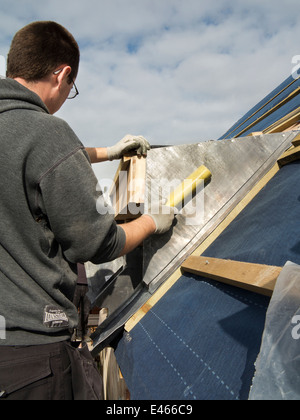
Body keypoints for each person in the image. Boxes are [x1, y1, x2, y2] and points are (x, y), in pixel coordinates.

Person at [0, 21, 176, 400]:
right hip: (34, 357)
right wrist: (150, 222)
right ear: (62, 74)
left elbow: (33, 160)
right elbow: (97, 243)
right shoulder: (47, 132)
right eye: (71, 88)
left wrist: (109, 152)